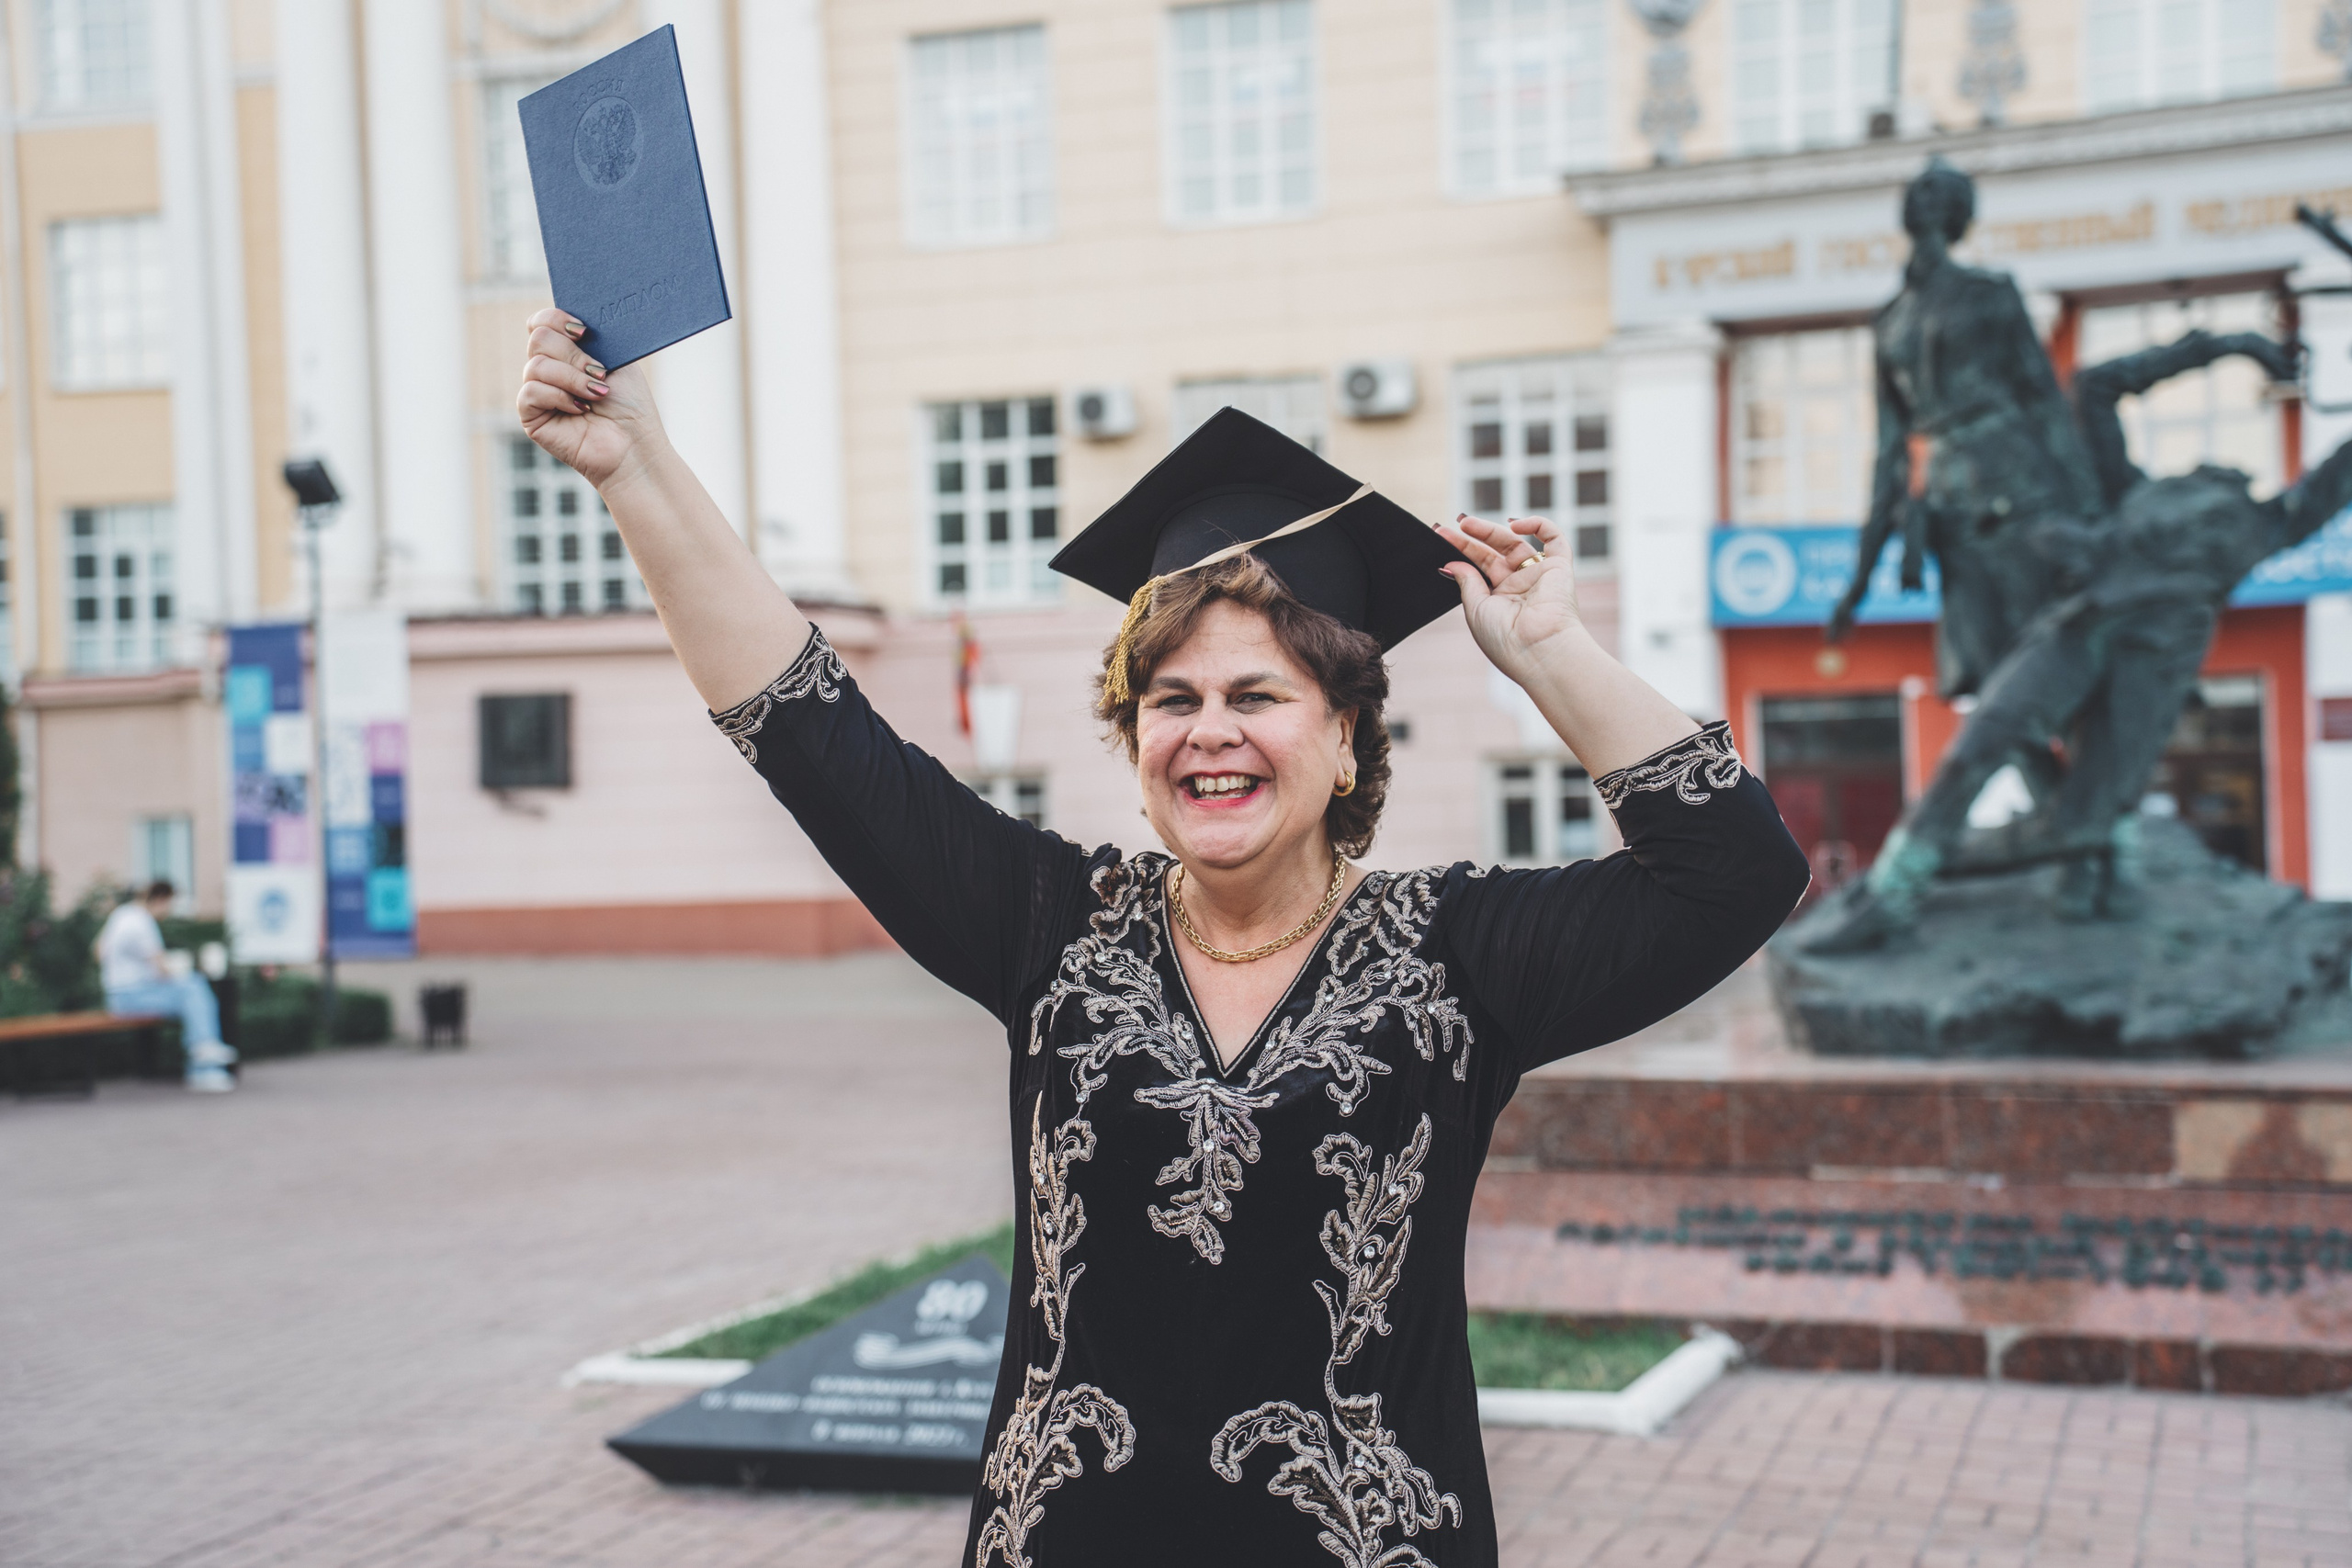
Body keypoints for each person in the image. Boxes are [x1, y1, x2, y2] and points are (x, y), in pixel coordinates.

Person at [518, 310, 1807, 1564]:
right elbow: (809, 727)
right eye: (1171, 698)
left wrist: (1552, 651)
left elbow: (1737, 874)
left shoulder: (1456, 957)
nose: (1210, 731)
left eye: (1259, 694)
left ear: (1348, 732)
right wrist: (637, 467)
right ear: (1134, 738)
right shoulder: (1050, 927)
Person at [1803, 361, 2352, 953]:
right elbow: (2095, 388)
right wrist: (2217, 346)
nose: (2221, 467)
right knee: (1978, 744)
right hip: (2077, 627)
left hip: (2151, 664)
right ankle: (1895, 892)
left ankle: (2049, 876)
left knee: (2084, 823)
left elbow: (2342, 466)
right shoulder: (2137, 491)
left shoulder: (2271, 521)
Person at [96, 879, 234, 1092]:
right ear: (160, 899)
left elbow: (98, 950)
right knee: (193, 987)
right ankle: (204, 1057)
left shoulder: (122, 914)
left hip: (117, 994)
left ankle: (203, 1057)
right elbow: (161, 969)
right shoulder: (142, 922)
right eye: (170, 905)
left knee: (190, 995)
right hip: (131, 997)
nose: (169, 912)